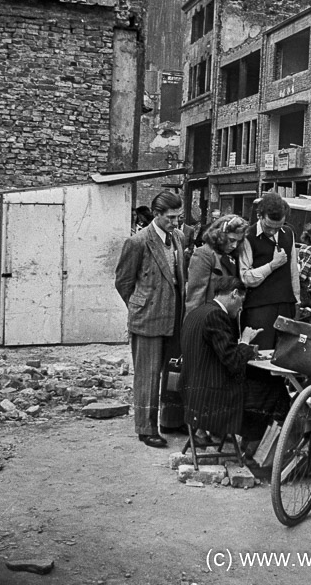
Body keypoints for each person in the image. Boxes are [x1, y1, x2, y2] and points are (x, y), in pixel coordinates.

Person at [115, 191, 186, 448]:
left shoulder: (178, 237)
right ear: (156, 215)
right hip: (148, 318)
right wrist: (140, 306)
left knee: (173, 373)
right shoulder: (138, 242)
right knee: (148, 375)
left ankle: (170, 420)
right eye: (170, 218)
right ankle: (146, 428)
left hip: (174, 316)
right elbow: (123, 281)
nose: (175, 222)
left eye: (179, 217)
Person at [180, 277, 262, 438]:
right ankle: (253, 449)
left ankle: (203, 432)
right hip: (211, 396)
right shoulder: (216, 316)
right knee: (267, 389)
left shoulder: (198, 312)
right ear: (234, 294)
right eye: (241, 301)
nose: (241, 308)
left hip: (191, 392)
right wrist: (245, 341)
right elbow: (234, 363)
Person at [238, 191, 300, 350]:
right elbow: (245, 277)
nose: (273, 232)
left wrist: (296, 301)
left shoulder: (289, 234)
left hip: (285, 304)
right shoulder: (248, 236)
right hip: (259, 308)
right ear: (260, 216)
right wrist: (272, 265)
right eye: (269, 227)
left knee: (282, 356)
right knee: (259, 356)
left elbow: (293, 271)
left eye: (278, 227)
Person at [185, 214, 248, 316]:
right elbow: (195, 298)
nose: (234, 245)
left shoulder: (233, 256)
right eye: (231, 240)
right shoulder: (204, 254)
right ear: (220, 235)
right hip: (208, 318)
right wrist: (193, 326)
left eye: (239, 241)